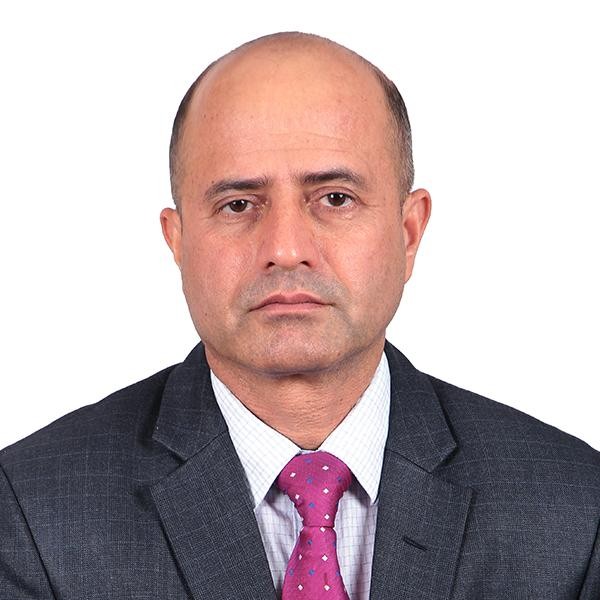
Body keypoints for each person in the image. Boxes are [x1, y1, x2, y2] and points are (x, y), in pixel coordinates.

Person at [1, 31, 598, 600]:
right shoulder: (32, 511)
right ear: (177, 240)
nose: (286, 249)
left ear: (409, 231)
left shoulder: (575, 508)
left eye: (335, 198)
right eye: (238, 204)